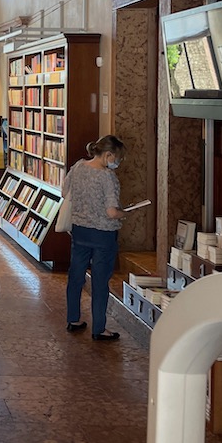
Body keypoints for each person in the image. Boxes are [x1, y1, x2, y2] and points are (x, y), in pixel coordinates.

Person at [63, 135, 127, 342]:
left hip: (80, 230)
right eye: (117, 158)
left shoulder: (78, 167)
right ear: (108, 155)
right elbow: (111, 212)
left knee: (76, 277)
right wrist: (124, 213)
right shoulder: (107, 177)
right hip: (103, 234)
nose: (117, 162)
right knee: (100, 281)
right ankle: (99, 328)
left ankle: (73, 319)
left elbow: (65, 193)